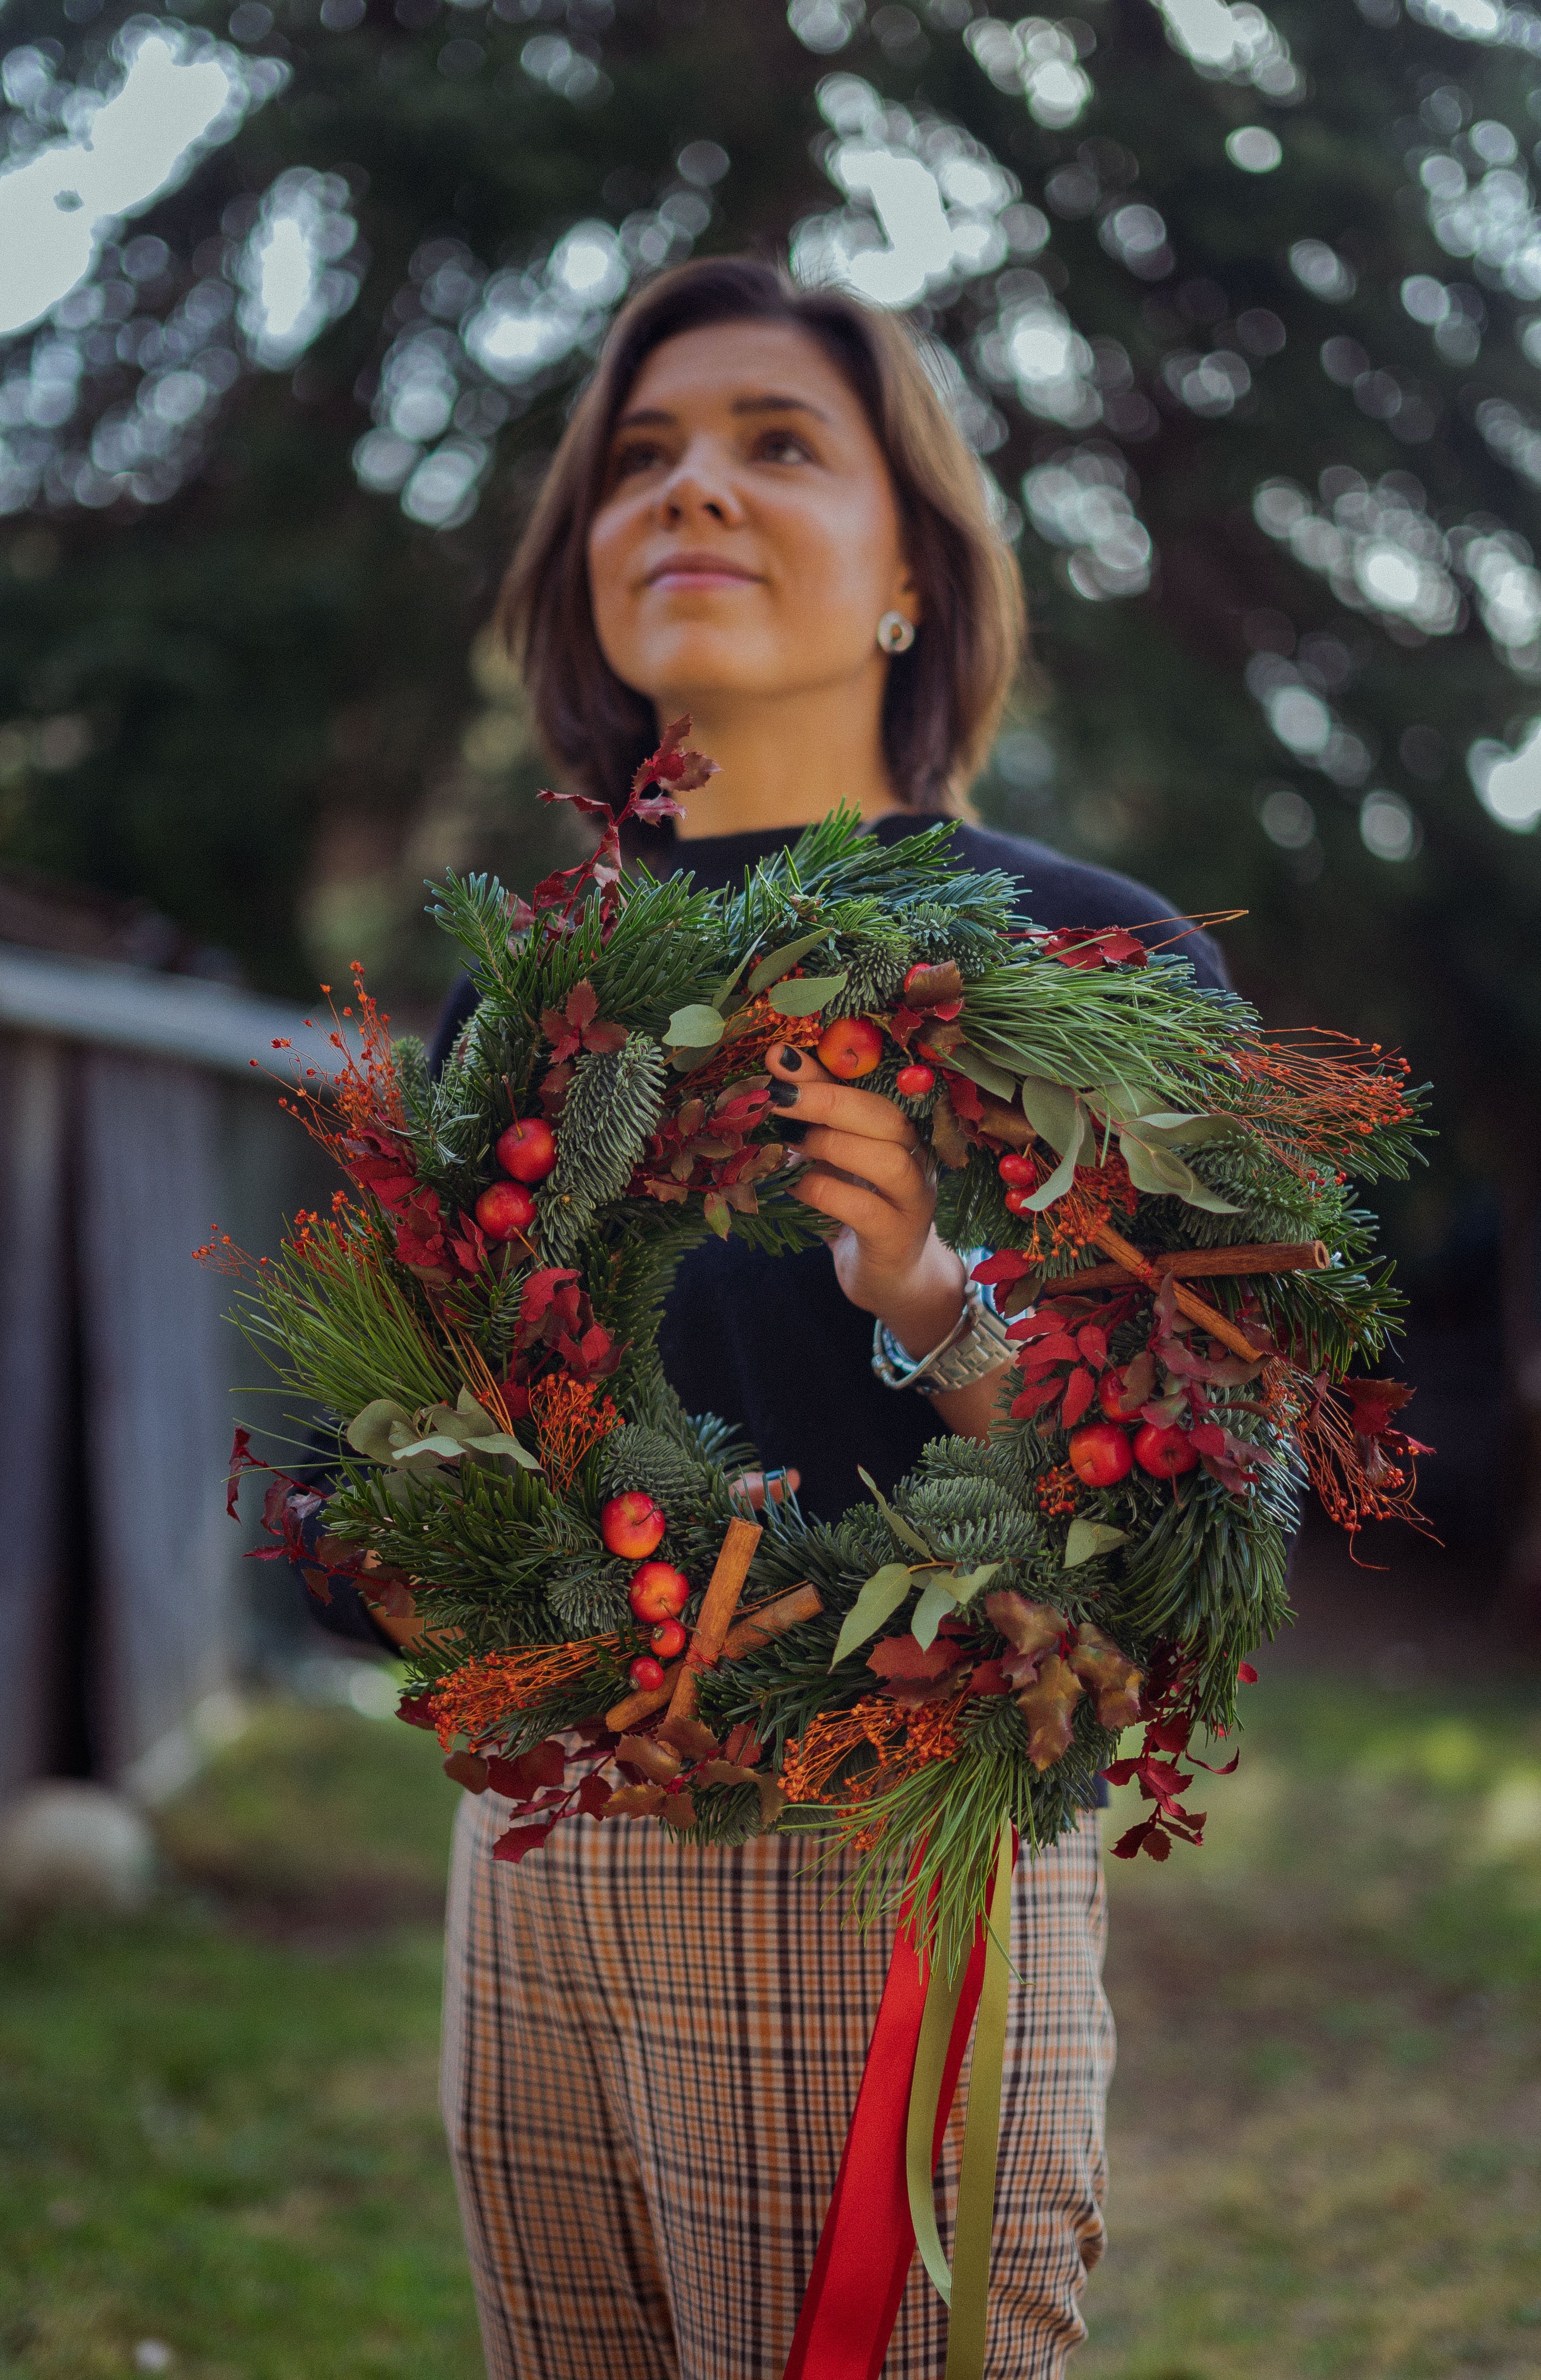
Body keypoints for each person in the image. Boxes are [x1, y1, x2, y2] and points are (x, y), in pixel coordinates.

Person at [310, 257, 1230, 2379]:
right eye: (639, 461)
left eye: (775, 446)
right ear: (584, 568)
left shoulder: (1081, 958)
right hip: (533, 1867)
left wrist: (930, 1296)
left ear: (911, 567)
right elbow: (404, 1439)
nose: (689, 492)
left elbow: (1198, 1494)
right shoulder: (517, 1003)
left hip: (872, 1868)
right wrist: (420, 1537)